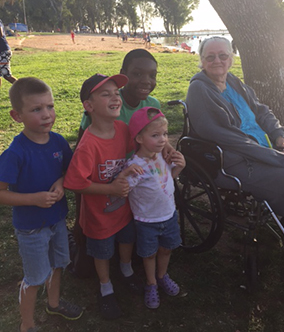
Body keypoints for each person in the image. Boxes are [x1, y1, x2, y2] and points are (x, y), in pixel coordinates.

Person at [186, 35, 284, 230]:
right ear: (202, 61)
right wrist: (277, 158)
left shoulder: (232, 82)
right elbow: (227, 139)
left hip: (262, 151)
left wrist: (281, 138)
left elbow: (262, 111)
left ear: (231, 58)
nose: (217, 61)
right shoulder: (199, 90)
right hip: (234, 162)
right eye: (210, 57)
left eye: (223, 55)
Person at [0, 77, 83, 332]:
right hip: (31, 228)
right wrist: (33, 199)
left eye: (50, 106)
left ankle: (54, 303)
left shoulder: (58, 142)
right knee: (35, 278)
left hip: (57, 220)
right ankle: (27, 325)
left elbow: (68, 171)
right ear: (17, 116)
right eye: (37, 109)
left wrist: (60, 182)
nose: (47, 115)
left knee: (59, 264)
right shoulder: (15, 153)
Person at [63, 73, 144, 320]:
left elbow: (139, 146)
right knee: (102, 252)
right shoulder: (88, 145)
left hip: (124, 209)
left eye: (116, 93)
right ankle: (105, 287)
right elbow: (75, 183)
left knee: (127, 238)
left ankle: (127, 271)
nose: (115, 98)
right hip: (99, 216)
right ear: (89, 106)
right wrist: (110, 189)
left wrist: (167, 150)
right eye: (105, 94)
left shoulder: (122, 128)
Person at [121, 107, 185, 309]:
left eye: (165, 134)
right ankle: (151, 283)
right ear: (139, 138)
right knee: (148, 254)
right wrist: (123, 176)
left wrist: (179, 167)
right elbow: (123, 189)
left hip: (169, 215)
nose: (163, 140)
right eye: (155, 135)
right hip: (147, 220)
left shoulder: (161, 157)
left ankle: (162, 275)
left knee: (166, 250)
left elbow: (166, 180)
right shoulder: (135, 165)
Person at [0, 21, 17, 87]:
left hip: (2, 51)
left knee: (7, 76)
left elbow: (0, 33)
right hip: (2, 51)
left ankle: (25, 90)